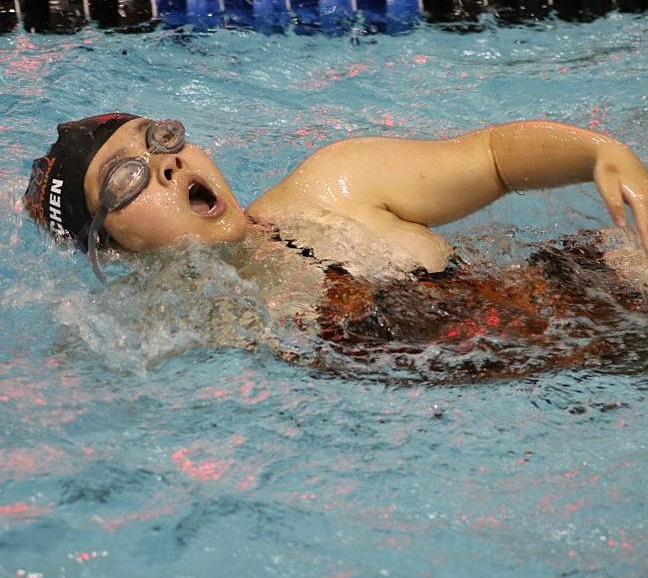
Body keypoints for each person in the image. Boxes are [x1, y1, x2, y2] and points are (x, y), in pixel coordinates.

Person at [23, 114, 648, 380]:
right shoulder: (162, 323)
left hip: (596, 296)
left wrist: (599, 153)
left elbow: (492, 158)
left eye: (160, 137)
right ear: (112, 249)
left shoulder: (336, 183)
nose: (165, 164)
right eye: (124, 179)